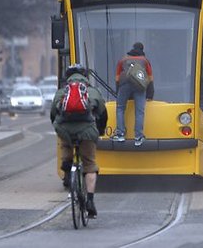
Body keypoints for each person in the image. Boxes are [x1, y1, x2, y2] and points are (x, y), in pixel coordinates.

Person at [50, 64, 107, 218]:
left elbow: (53, 114)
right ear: (85, 76)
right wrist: (99, 132)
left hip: (65, 131)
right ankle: (89, 201)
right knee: (89, 164)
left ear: (67, 77)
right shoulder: (92, 91)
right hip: (87, 132)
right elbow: (102, 114)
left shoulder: (62, 92)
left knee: (66, 148)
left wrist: (59, 130)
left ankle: (67, 170)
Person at [112, 42, 153, 146]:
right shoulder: (145, 61)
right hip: (139, 86)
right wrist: (150, 94)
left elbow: (117, 77)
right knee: (139, 111)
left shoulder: (123, 60)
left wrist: (118, 91)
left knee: (120, 108)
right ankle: (138, 137)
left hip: (124, 86)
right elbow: (150, 78)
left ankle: (120, 134)